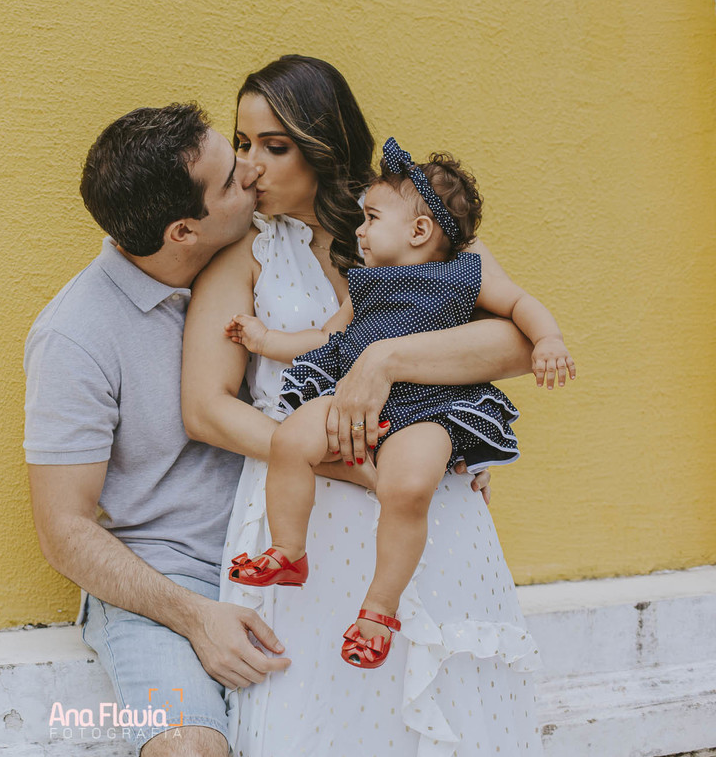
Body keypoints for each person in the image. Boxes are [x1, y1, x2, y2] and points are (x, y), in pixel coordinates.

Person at [182, 55, 545, 756]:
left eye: (274, 146)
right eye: (244, 143)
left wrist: (386, 360)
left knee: (434, 702)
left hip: (417, 502)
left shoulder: (424, 237)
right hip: (307, 507)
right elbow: (206, 408)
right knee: (324, 710)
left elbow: (520, 343)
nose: (249, 165)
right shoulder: (243, 258)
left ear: (325, 145)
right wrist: (341, 463)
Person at [225, 137, 575, 673]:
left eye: (370, 218)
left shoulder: (467, 272)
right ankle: (289, 550)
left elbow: (520, 306)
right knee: (288, 439)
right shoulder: (364, 285)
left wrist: (548, 339)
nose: (359, 230)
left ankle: (379, 610)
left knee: (408, 487)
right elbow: (324, 337)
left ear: (419, 230)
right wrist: (266, 339)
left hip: (433, 407)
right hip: (351, 398)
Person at [24, 102, 285, 757]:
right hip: (164, 581)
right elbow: (65, 531)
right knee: (188, 748)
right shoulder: (75, 336)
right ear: (181, 232)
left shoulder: (273, 258)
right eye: (229, 182)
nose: (251, 175)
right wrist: (196, 618)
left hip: (280, 557)